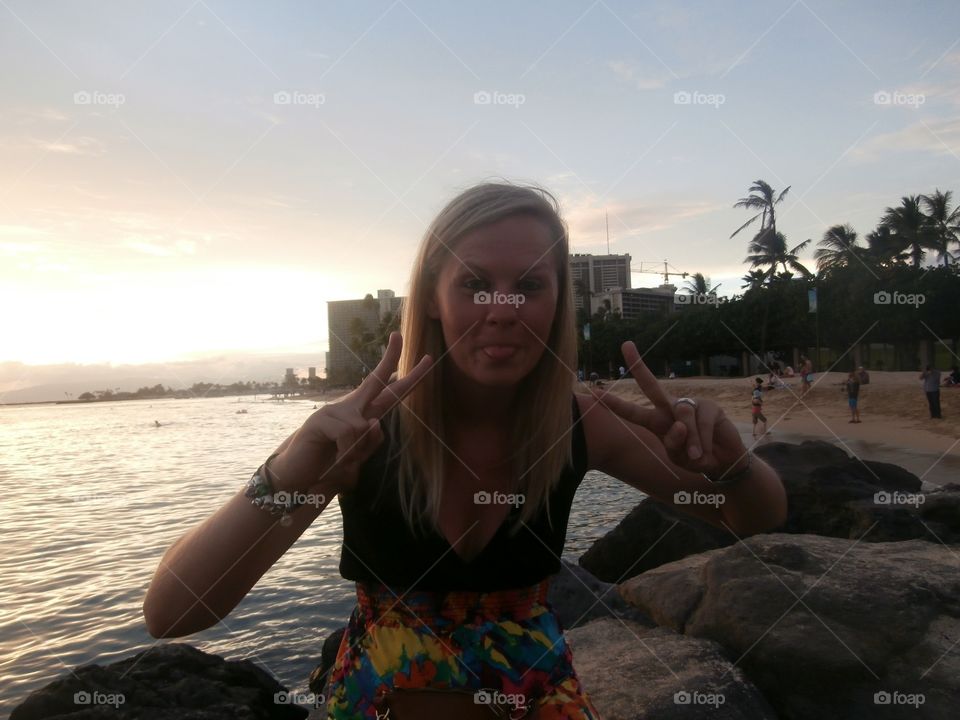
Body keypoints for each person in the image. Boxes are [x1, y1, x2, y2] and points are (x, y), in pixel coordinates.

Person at [142, 182, 787, 719]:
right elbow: (173, 610)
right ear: (432, 300)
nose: (502, 309)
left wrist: (729, 465)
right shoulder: (362, 429)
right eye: (476, 284)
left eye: (529, 286)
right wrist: (297, 463)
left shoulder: (582, 421)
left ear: (558, 301)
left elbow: (752, 517)